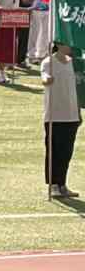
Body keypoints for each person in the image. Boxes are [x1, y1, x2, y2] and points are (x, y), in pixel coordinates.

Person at [44, 42, 78, 198]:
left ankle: (62, 183)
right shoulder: (49, 62)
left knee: (66, 152)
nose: (70, 46)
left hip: (71, 114)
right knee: (54, 152)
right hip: (54, 114)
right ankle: (53, 184)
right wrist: (47, 79)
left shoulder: (74, 64)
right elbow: (44, 76)